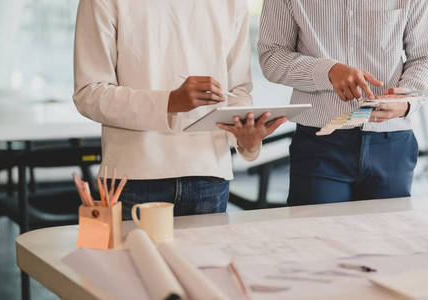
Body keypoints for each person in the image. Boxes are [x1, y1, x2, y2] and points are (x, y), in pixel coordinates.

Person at [73, 0, 285, 219]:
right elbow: (89, 93)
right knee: (132, 255)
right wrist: (169, 102)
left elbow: (237, 90)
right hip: (135, 176)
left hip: (210, 174)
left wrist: (246, 139)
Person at [258, 0, 428, 205]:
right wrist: (327, 71)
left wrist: (406, 99)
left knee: (386, 236)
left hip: (392, 143)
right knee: (315, 234)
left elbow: (425, 57)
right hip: (319, 143)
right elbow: (272, 56)